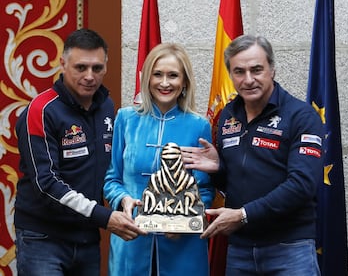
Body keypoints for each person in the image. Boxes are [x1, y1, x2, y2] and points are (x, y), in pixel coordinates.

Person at [182, 35, 324, 275]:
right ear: (231, 75)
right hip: (240, 250)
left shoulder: (301, 116)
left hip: (290, 249)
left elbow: (302, 185)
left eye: (256, 69)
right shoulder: (228, 115)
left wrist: (243, 215)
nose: (248, 80)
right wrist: (218, 170)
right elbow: (236, 183)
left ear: (272, 69)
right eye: (239, 72)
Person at [14, 28, 146, 276]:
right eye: (81, 67)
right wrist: (105, 217)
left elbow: (113, 169)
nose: (89, 76)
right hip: (43, 238)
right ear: (63, 64)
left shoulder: (106, 106)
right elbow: (47, 184)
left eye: (97, 68)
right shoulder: (41, 111)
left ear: (106, 66)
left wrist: (126, 199)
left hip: (86, 238)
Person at [103, 43, 215, 276]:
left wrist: (185, 218)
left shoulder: (199, 125)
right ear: (147, 78)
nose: (165, 83)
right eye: (157, 74)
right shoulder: (125, 119)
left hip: (183, 246)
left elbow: (204, 189)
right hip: (131, 240)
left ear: (184, 82)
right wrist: (123, 200)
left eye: (173, 75)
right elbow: (111, 180)